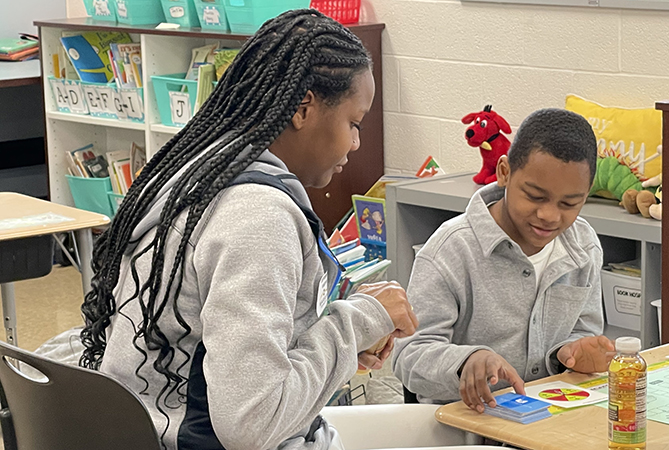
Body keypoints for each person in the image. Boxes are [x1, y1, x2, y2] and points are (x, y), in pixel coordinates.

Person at [80, 10, 417, 450]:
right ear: (303, 109)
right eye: (354, 124)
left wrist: (337, 349)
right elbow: (251, 423)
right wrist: (358, 322)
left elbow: (214, 350)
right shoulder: (260, 217)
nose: (356, 143)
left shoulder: (192, 173)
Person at [393, 108, 614, 411]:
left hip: (548, 419)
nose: (549, 215)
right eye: (535, 196)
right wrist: (465, 362)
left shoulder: (584, 246)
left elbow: (583, 332)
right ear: (505, 172)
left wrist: (572, 351)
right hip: (467, 428)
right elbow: (409, 354)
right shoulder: (450, 250)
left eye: (569, 203)